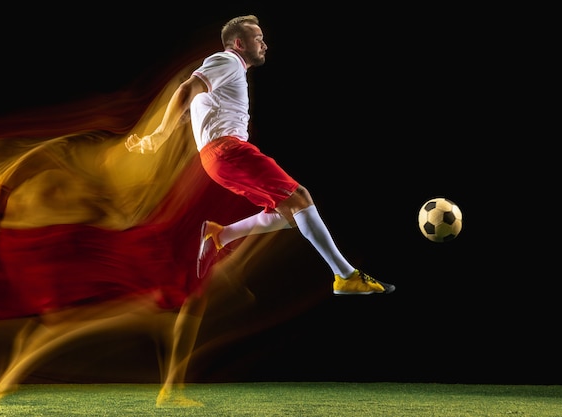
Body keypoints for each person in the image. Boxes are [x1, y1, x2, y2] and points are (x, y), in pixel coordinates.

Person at [126, 15, 395, 296]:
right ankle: (345, 276)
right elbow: (187, 88)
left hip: (219, 157)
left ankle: (220, 234)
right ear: (240, 43)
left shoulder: (230, 70)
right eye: (258, 39)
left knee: (292, 213)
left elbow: (197, 99)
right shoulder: (227, 60)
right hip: (228, 151)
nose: (264, 45)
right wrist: (159, 134)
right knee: (300, 198)